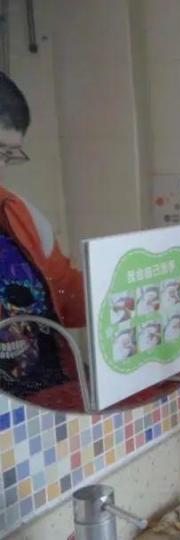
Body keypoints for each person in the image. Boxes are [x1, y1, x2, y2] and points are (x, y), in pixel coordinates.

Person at [0, 71, 85, 398]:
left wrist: (126, 286)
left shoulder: (19, 213)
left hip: (49, 401)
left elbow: (66, 295)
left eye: (8, 154)